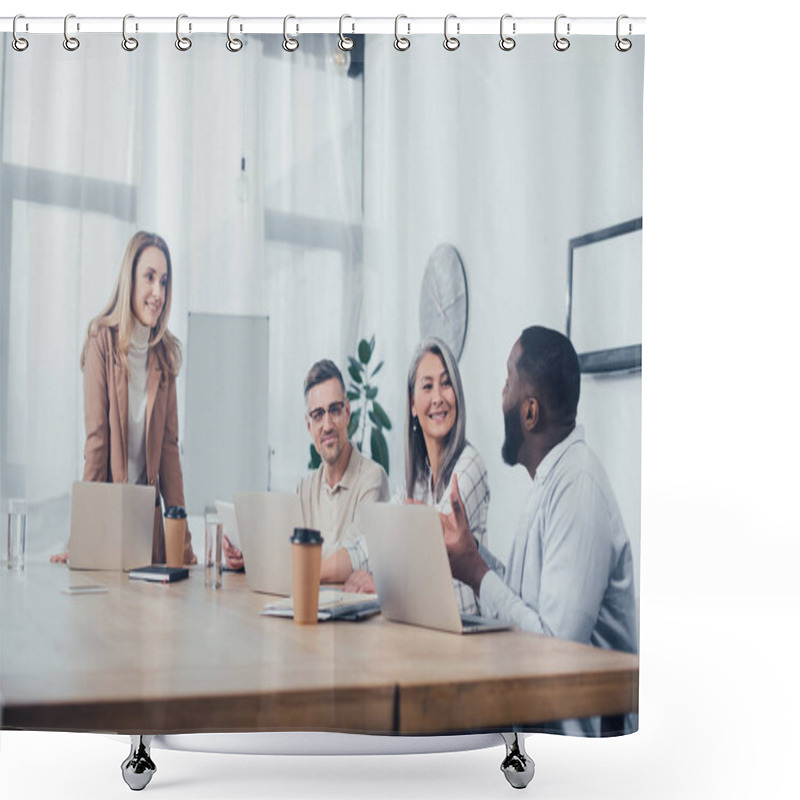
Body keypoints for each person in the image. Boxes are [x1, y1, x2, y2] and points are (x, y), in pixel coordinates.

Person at [440, 325, 637, 735]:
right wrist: (470, 550)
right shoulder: (551, 477)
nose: (501, 395)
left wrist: (476, 571)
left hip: (576, 748)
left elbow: (554, 648)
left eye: (507, 382)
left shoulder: (577, 487)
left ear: (530, 411)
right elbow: (528, 601)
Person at [51, 231, 195, 565]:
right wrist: (82, 538)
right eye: (149, 277)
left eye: (164, 281)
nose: (157, 293)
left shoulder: (166, 355)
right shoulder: (101, 340)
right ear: (130, 278)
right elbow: (97, 444)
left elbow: (170, 455)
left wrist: (184, 549)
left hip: (149, 533)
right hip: (107, 524)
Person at [342, 338, 490, 615]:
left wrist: (377, 586)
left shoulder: (469, 465)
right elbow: (368, 549)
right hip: (426, 627)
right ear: (412, 404)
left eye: (446, 384)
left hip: (464, 633)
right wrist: (306, 568)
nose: (438, 398)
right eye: (427, 386)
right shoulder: (418, 479)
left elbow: (432, 555)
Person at [222, 359, 390, 579]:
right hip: (309, 605)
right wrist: (248, 558)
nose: (327, 425)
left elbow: (353, 558)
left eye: (335, 410)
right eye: (318, 415)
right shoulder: (306, 488)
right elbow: (288, 554)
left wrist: (295, 570)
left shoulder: (372, 479)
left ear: (347, 412)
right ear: (309, 426)